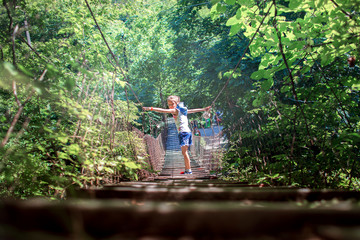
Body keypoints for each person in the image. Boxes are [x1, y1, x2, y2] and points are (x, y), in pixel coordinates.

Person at [143, 95, 211, 174]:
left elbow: (162, 110)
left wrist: (150, 108)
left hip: (183, 133)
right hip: (187, 132)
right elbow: (193, 110)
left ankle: (189, 170)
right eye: (169, 104)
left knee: (185, 152)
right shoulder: (182, 110)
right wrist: (204, 109)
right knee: (184, 152)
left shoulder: (175, 110)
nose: (171, 106)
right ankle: (187, 169)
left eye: (172, 104)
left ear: (177, 103)